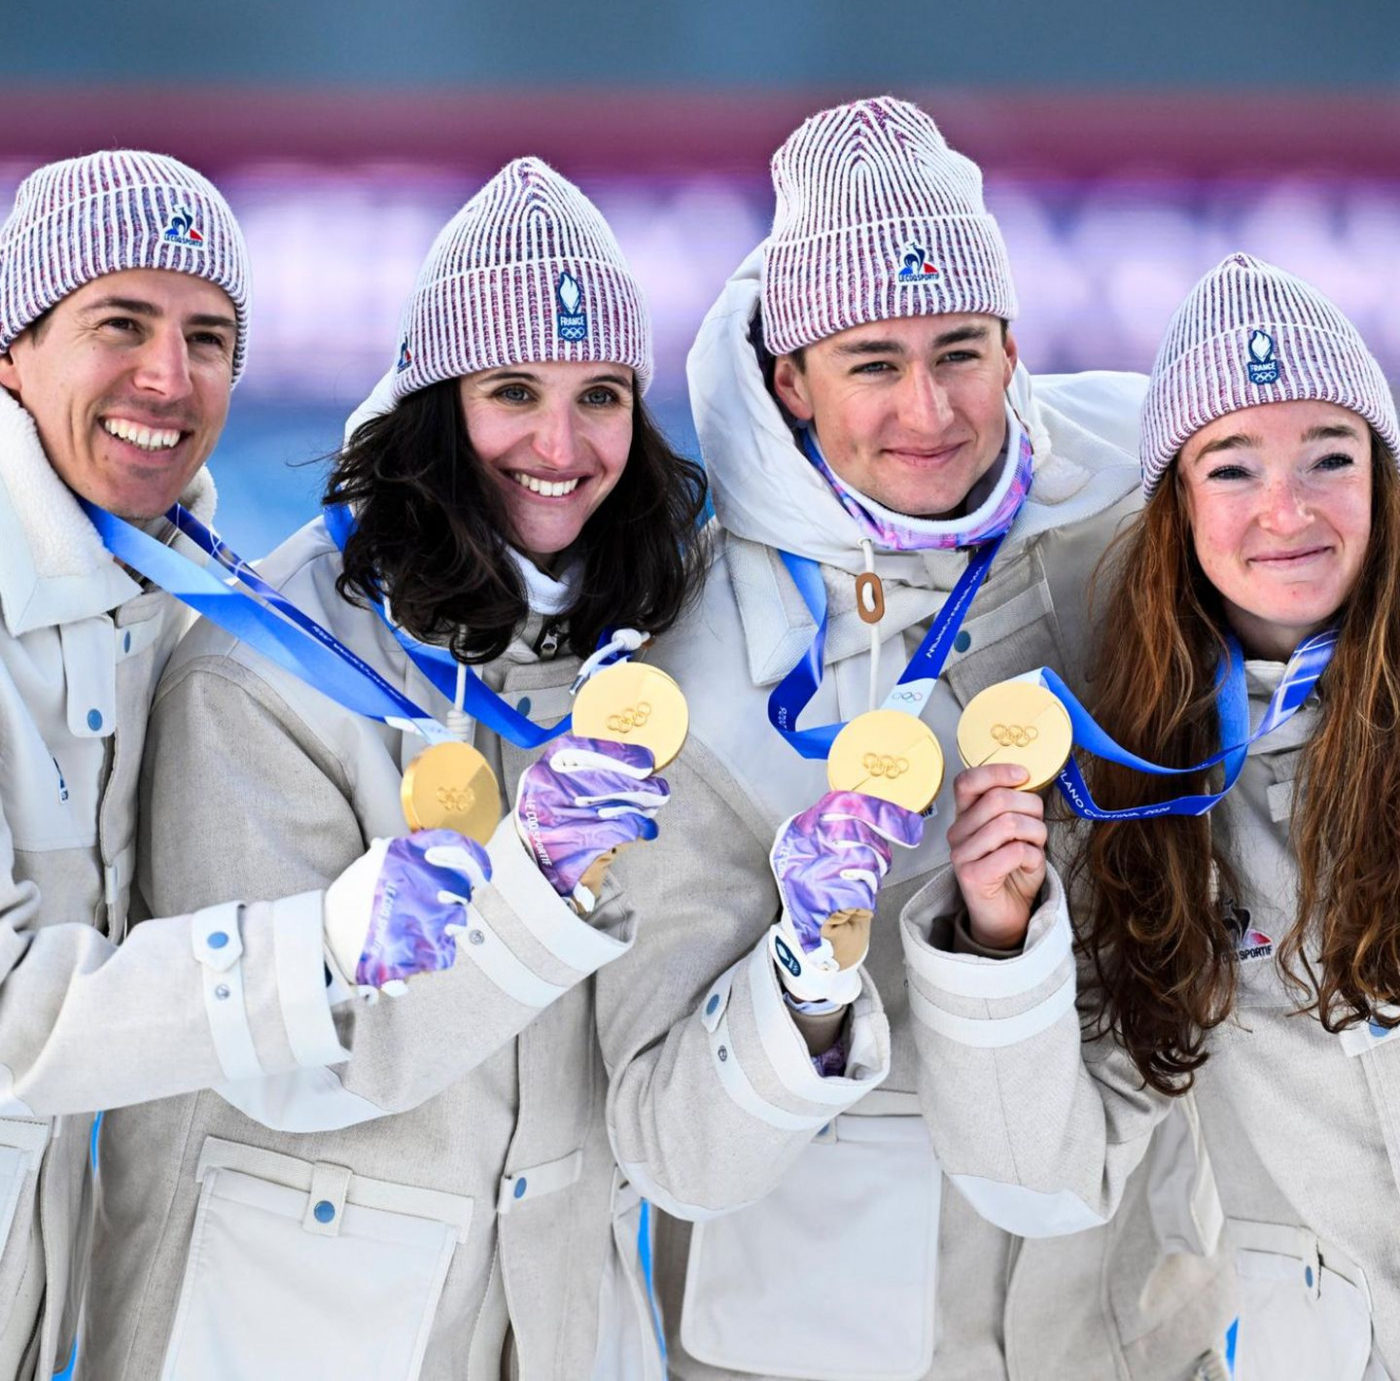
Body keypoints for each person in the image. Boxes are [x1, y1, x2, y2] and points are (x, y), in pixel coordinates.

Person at [599, 96, 1233, 1380]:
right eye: (870, 363)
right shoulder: (691, 649)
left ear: (1012, 344)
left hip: (1119, 1318)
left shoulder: (1142, 500)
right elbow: (663, 1145)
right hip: (800, 1335)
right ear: (790, 377)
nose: (928, 410)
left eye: (959, 350)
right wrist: (799, 984)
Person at [82, 157, 708, 1380]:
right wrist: (537, 875)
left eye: (602, 395)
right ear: (431, 406)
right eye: (512, 389)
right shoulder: (259, 673)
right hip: (280, 1326)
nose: (560, 442)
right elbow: (295, 1066)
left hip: (554, 1314)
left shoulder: (638, 652)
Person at [0, 150, 479, 1380]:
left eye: (209, 336)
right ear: (14, 347)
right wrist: (321, 938)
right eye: (121, 322)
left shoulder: (163, 599)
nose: (169, 377)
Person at [922, 252, 1400, 1380]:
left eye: (1327, 457)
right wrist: (997, 942)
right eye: (1230, 468)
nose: (1284, 509)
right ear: (1175, 511)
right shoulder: (1141, 799)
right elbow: (1044, 1172)